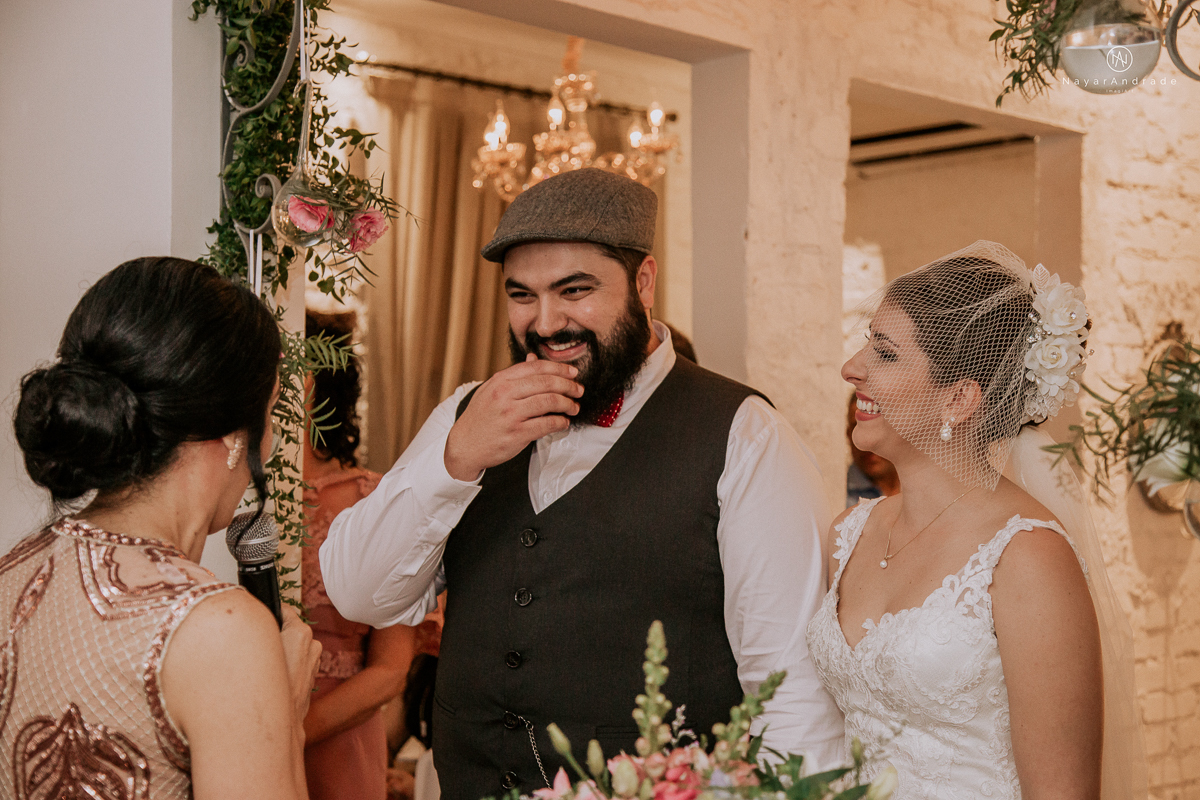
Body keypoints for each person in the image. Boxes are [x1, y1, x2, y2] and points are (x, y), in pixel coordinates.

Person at [320, 168, 844, 797]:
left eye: (574, 290)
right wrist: (455, 460)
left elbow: (791, 691)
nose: (546, 323)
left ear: (643, 282)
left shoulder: (745, 435)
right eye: (522, 295)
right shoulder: (466, 414)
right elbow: (359, 595)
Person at [805, 241, 1145, 799]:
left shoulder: (1027, 556)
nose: (851, 368)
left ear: (959, 399)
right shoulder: (849, 533)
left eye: (884, 353)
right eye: (868, 343)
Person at [6, 257, 321, 800]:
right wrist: (285, 719)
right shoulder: (220, 630)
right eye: (270, 412)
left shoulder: (11, 573)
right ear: (233, 437)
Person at [302, 312, 414, 800]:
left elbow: (390, 670)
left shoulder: (375, 503)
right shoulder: (234, 498)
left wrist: (289, 734)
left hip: (338, 739)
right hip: (234, 725)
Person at [845, 392, 899, 507]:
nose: (869, 442)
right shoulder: (838, 495)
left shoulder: (923, 485)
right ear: (848, 435)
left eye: (879, 427)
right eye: (858, 427)